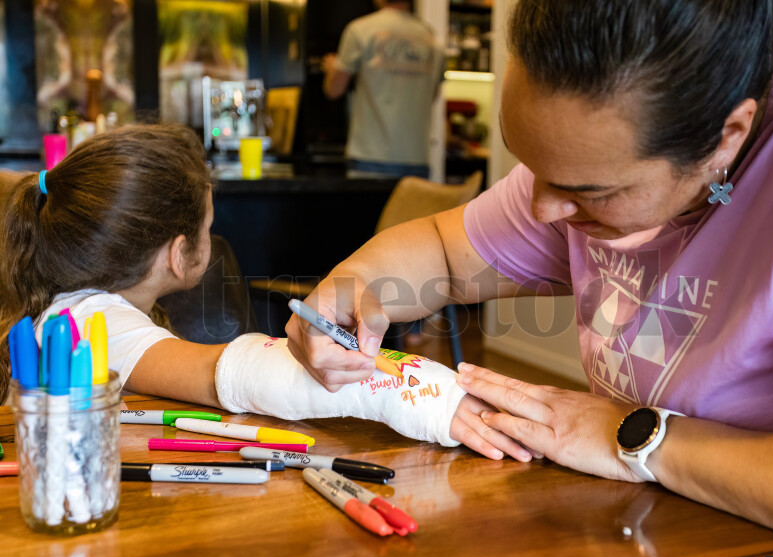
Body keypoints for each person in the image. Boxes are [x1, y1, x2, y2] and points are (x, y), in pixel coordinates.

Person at [286, 0, 773, 555]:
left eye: (588, 191)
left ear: (727, 137)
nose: (542, 211)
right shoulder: (596, 139)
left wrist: (633, 438)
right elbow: (447, 255)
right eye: (533, 167)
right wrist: (354, 284)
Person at [0, 124, 464, 446]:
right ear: (178, 255)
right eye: (208, 226)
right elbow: (224, 373)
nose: (213, 236)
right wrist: (437, 396)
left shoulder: (77, 303)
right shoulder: (89, 321)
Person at [322, 0, 443, 179]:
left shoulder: (360, 30)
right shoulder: (432, 38)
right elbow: (432, 96)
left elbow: (334, 89)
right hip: (416, 160)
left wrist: (331, 69)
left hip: (369, 158)